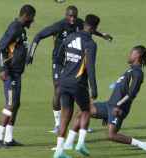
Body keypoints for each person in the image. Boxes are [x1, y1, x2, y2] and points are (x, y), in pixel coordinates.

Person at [26, 5, 112, 133]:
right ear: (66, 15)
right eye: (70, 16)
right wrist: (30, 54)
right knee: (58, 89)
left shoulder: (79, 23)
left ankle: (82, 122)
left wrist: (102, 35)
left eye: (74, 16)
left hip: (73, 61)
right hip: (59, 61)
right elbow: (39, 36)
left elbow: (89, 29)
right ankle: (57, 123)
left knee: (78, 88)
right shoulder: (59, 26)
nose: (72, 19)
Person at [62, 45, 146, 153]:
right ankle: (68, 143)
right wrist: (107, 113)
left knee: (111, 135)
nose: (129, 55)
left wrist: (118, 106)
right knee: (82, 111)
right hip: (109, 105)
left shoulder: (137, 73)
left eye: (131, 53)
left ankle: (142, 144)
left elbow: (131, 94)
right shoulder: (130, 70)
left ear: (137, 55)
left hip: (118, 108)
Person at [53, 14, 100, 158]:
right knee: (86, 110)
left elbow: (58, 55)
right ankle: (80, 143)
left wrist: (62, 72)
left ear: (85, 23)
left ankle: (59, 151)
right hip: (78, 83)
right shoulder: (90, 44)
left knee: (65, 116)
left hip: (64, 81)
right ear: (94, 27)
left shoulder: (70, 37)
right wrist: (94, 88)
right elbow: (90, 67)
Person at [0, 4, 36, 148]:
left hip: (17, 74)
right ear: (26, 16)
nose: (33, 21)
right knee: (10, 104)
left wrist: (26, 56)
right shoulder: (15, 27)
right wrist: (2, 69)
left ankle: (9, 138)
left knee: (16, 104)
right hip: (10, 74)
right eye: (32, 18)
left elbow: (17, 48)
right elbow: (0, 48)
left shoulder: (21, 29)